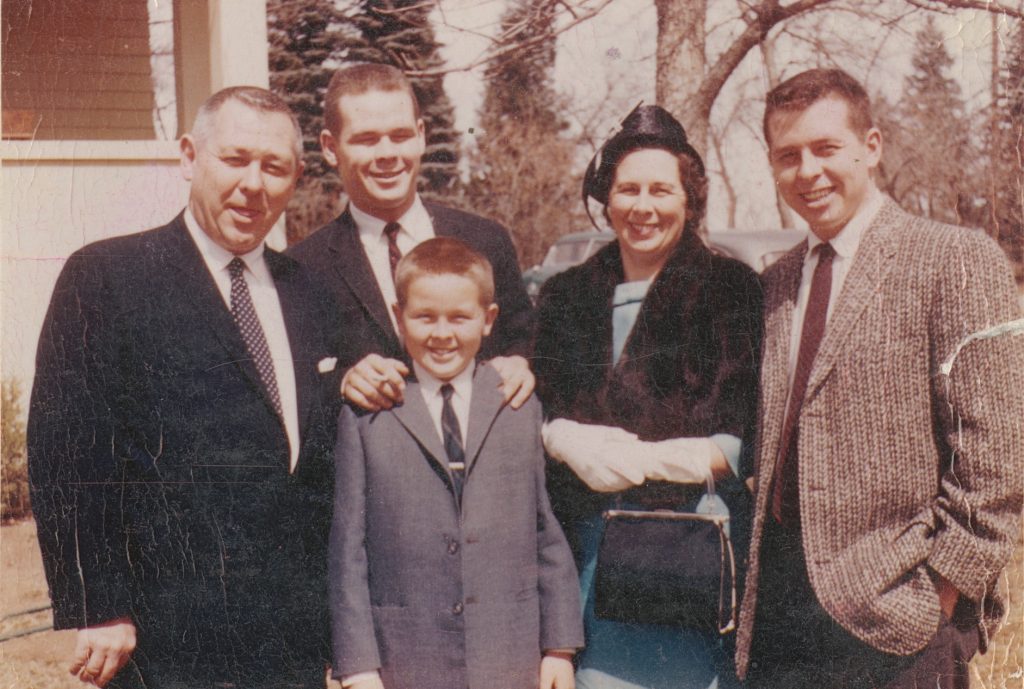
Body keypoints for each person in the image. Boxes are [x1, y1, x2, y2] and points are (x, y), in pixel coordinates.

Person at [28, 86, 339, 689]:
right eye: (235, 158)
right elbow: (66, 449)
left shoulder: (311, 294)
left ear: (296, 178)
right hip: (164, 639)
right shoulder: (107, 277)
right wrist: (99, 605)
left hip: (289, 641)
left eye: (274, 167)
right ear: (190, 157)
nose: (254, 183)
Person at [735, 68, 1024, 688]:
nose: (807, 171)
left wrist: (942, 592)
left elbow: (1000, 451)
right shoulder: (776, 281)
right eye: (788, 156)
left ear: (871, 147)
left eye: (825, 148)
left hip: (900, 618)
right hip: (783, 617)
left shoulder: (954, 258)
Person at [533, 105, 763, 689]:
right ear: (604, 199)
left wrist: (644, 461)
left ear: (689, 199)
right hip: (584, 560)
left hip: (687, 557)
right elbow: (538, 406)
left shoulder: (732, 289)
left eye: (662, 190)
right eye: (627, 189)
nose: (643, 206)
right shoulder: (563, 295)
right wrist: (559, 436)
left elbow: (747, 434)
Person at [328, 237, 584, 689]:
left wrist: (559, 648)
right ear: (398, 316)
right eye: (424, 317)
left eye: (459, 318)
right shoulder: (369, 412)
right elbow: (349, 551)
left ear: (488, 321)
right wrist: (359, 666)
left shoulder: (516, 403)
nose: (442, 334)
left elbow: (547, 531)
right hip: (404, 658)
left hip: (508, 654)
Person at [288, 62, 535, 413]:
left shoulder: (485, 241)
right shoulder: (302, 268)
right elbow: (293, 387)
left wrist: (520, 363)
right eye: (367, 139)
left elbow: (527, 341)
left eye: (400, 136)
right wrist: (341, 381)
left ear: (421, 135)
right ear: (330, 147)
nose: (388, 154)